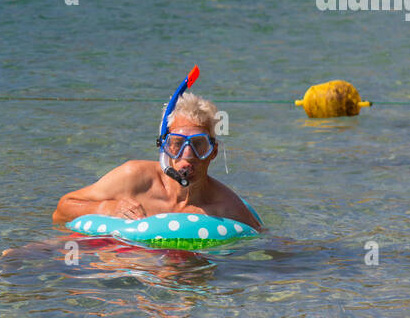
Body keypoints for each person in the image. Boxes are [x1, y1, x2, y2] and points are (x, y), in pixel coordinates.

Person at [52, 91, 261, 229]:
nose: (187, 156)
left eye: (199, 145)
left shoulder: (225, 207)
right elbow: (62, 210)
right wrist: (106, 208)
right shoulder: (133, 179)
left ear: (213, 152)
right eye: (177, 144)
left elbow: (265, 242)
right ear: (163, 147)